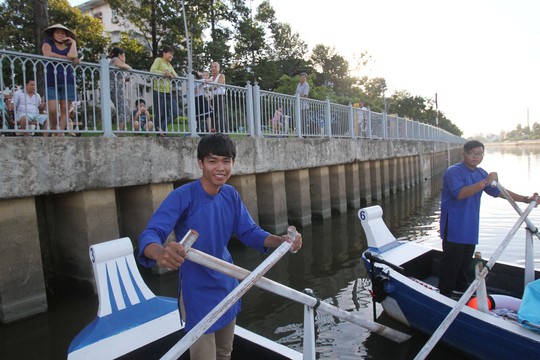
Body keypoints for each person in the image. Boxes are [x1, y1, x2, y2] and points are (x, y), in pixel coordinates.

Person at [138, 133, 302, 360]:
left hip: (227, 283)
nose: (220, 168)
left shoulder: (230, 195)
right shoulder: (183, 197)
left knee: (225, 352)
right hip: (197, 289)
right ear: (200, 164)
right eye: (212, 161)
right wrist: (159, 252)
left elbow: (249, 231)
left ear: (233, 163)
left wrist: (280, 240)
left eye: (226, 161)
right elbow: (150, 234)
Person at [438, 140, 538, 298]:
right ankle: (444, 294)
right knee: (451, 262)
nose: (475, 157)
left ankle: (460, 290)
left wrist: (525, 199)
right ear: (463, 154)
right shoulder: (453, 171)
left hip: (470, 227)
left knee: (465, 262)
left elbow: (500, 192)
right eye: (471, 153)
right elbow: (460, 194)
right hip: (454, 226)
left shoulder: (480, 173)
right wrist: (486, 181)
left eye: (479, 154)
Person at [41, 24, 80, 136]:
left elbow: (73, 55)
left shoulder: (69, 47)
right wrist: (67, 59)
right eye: (57, 32)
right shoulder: (48, 43)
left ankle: (59, 133)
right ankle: (54, 129)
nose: (60, 35)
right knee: (52, 109)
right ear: (53, 34)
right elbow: (48, 55)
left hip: (67, 80)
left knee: (65, 109)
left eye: (63, 33)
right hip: (51, 79)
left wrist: (73, 42)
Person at [150, 45, 179, 136]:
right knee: (161, 113)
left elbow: (176, 76)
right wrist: (164, 73)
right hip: (158, 90)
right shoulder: (158, 60)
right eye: (170, 54)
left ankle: (161, 128)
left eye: (172, 55)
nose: (171, 56)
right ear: (164, 53)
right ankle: (161, 133)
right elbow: (152, 71)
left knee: (175, 112)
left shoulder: (169, 65)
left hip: (168, 92)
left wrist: (170, 74)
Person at [108, 47, 132, 132]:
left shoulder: (115, 64)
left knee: (122, 108)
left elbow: (125, 77)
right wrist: (129, 67)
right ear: (120, 55)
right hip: (115, 89)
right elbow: (124, 66)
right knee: (122, 108)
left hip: (119, 90)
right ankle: (121, 131)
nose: (124, 58)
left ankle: (122, 130)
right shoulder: (115, 59)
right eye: (124, 56)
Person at [210, 62, 228, 133]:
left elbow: (217, 85)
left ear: (218, 68)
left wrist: (211, 88)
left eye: (215, 67)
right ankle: (214, 129)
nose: (213, 68)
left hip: (220, 96)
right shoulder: (211, 78)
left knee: (221, 113)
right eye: (212, 67)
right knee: (213, 113)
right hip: (212, 97)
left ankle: (223, 130)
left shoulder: (221, 76)